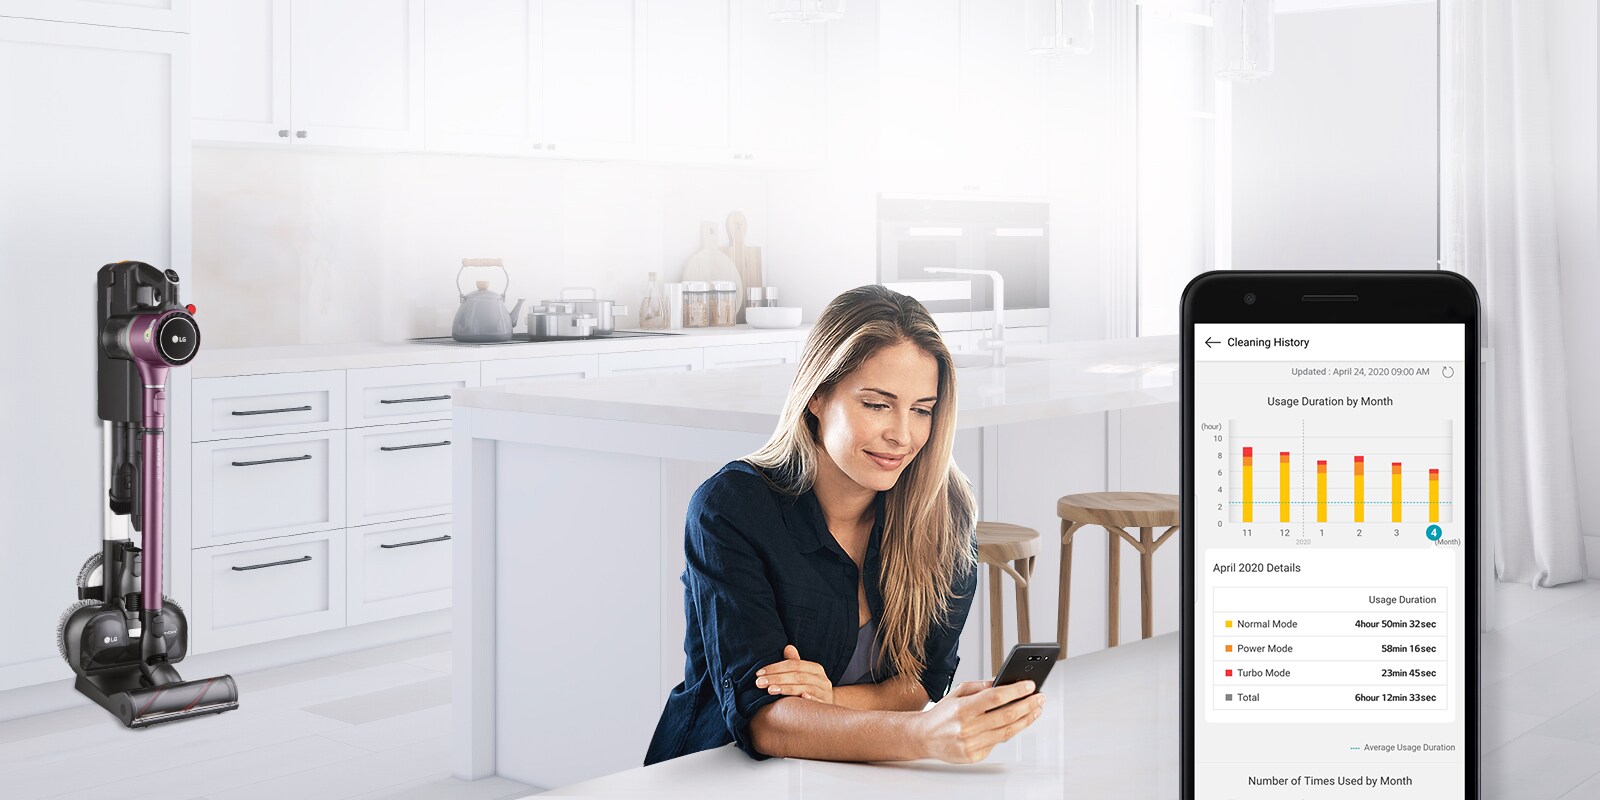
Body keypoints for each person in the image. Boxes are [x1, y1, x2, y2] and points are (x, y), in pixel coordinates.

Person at [644, 285, 1045, 766]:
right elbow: (765, 721)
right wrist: (920, 734)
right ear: (817, 396)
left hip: (853, 775)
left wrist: (828, 699)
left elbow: (919, 684)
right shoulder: (731, 509)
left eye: (922, 409)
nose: (902, 434)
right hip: (716, 772)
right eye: (877, 404)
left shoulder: (945, 513)